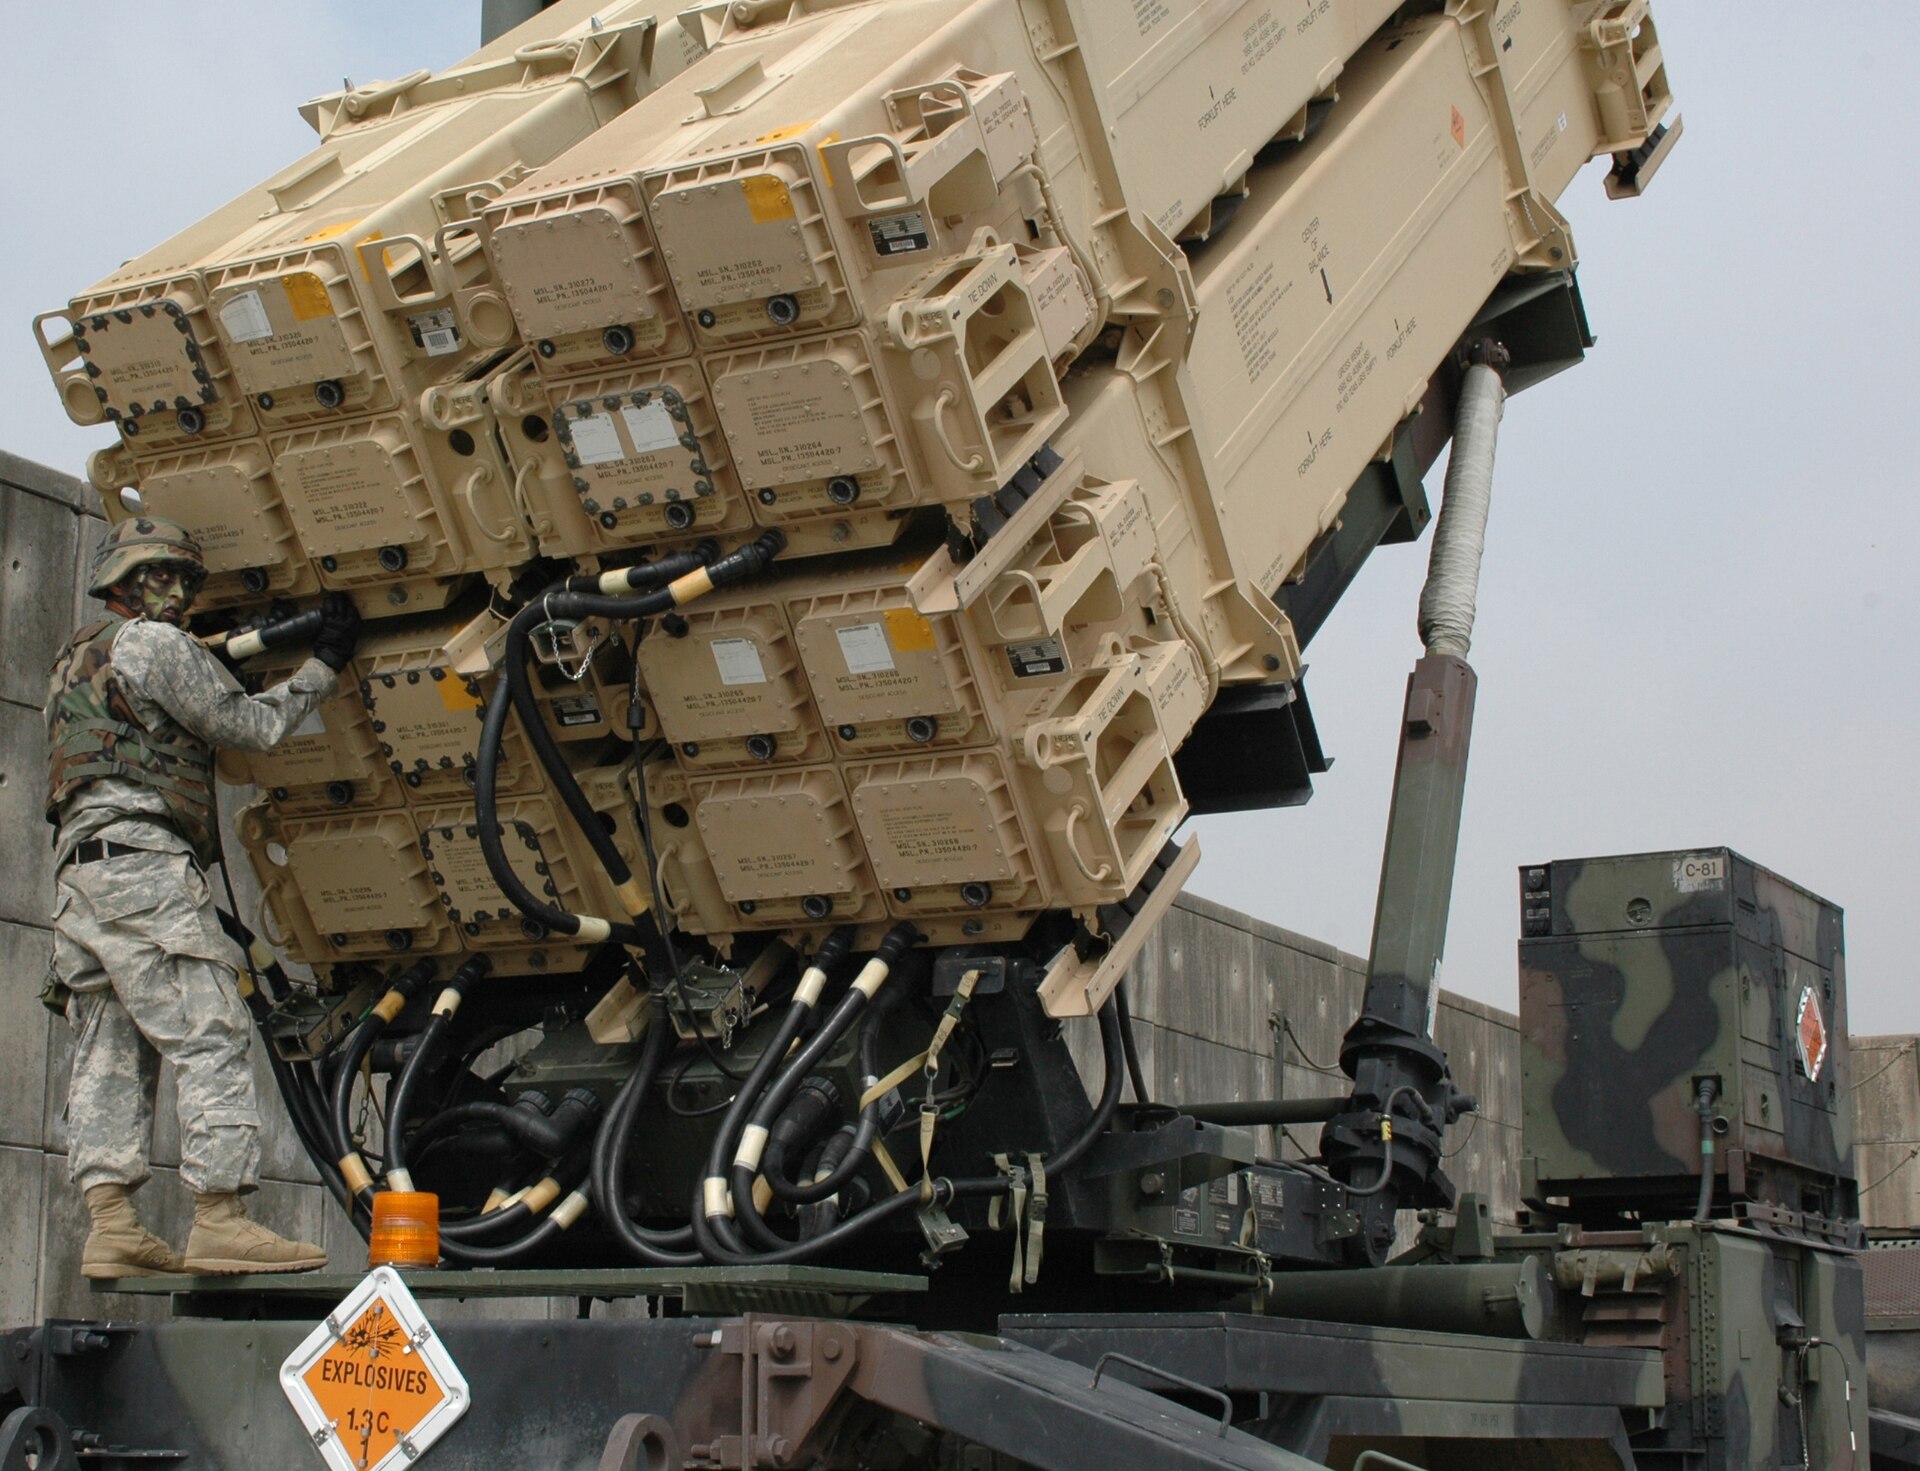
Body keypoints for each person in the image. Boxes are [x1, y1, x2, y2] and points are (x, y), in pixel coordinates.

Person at [45, 516, 362, 1278]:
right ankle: (220, 1215)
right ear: (125, 579)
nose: (180, 591)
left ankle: (112, 1223)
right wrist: (323, 665)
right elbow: (243, 725)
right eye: (164, 575)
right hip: (142, 865)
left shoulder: (73, 658)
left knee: (110, 1047)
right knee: (210, 1022)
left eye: (187, 579)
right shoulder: (154, 645)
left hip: (80, 878)